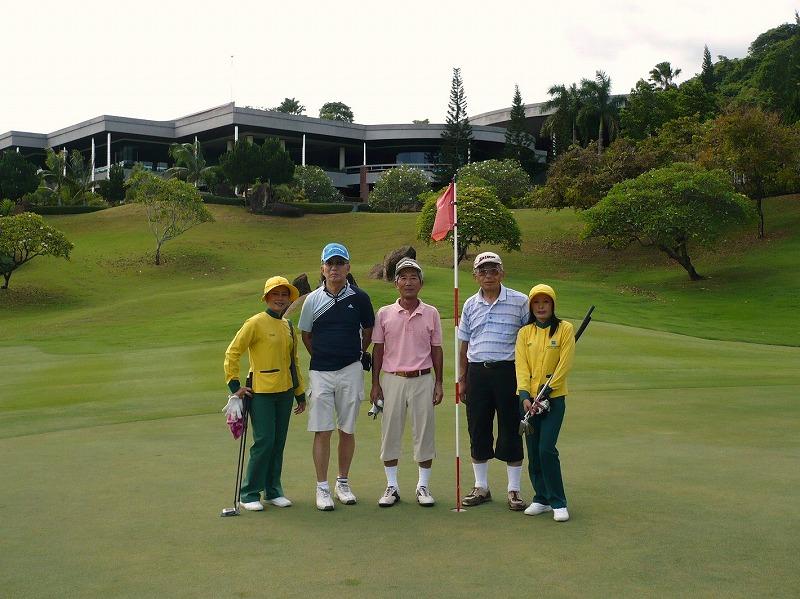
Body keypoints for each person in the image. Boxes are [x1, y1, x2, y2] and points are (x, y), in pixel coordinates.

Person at [299, 243, 375, 511]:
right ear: (322, 268)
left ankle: (342, 483)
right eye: (329, 264)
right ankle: (322, 488)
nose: (334, 268)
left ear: (348, 267)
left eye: (339, 263)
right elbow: (306, 335)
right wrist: (323, 355)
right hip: (321, 372)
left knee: (347, 428)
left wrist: (355, 353)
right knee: (322, 429)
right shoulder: (312, 300)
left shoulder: (360, 298)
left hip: (350, 370)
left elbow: (368, 331)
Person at [223, 276, 306, 511]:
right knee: (264, 441)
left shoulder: (288, 326)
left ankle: (273, 491)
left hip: (285, 391)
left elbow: (293, 362)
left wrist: (299, 393)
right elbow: (232, 352)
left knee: (278, 442)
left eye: (284, 295)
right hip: (261, 393)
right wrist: (234, 386)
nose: (280, 299)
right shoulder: (255, 323)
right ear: (267, 297)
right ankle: (249, 493)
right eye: (275, 294)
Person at [457, 252, 530, 511]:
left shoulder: (520, 301)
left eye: (493, 270)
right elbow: (464, 344)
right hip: (477, 373)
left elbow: (531, 339)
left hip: (509, 372)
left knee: (511, 429)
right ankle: (481, 487)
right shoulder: (470, 304)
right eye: (483, 271)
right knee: (478, 428)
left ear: (502, 273)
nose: (488, 275)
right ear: (475, 276)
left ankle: (514, 490)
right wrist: (462, 379)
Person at [370, 258, 444, 507]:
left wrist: (439, 383)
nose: (408, 282)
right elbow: (378, 350)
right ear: (396, 283)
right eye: (403, 277)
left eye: (414, 278)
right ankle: (392, 486)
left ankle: (423, 485)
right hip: (392, 379)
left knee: (424, 433)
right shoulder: (384, 313)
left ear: (421, 283)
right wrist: (375, 384)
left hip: (423, 379)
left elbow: (437, 350)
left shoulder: (431, 313)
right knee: (390, 433)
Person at [515, 284, 575, 522]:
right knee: (533, 452)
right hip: (529, 401)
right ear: (531, 306)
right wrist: (524, 396)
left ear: (553, 304)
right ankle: (541, 498)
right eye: (537, 303)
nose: (541, 307)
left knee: (546, 449)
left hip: (554, 399)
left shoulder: (564, 329)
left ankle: (558, 501)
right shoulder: (525, 333)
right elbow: (521, 365)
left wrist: (547, 392)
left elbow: (564, 364)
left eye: (546, 302)